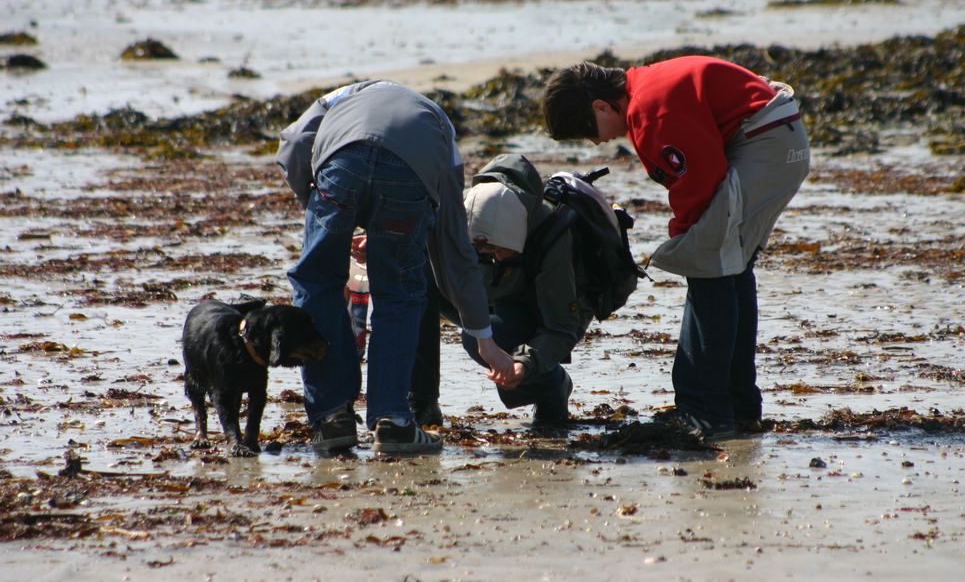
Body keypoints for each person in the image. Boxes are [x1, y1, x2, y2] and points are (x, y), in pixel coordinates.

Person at [542, 56, 810, 441]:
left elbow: (701, 179)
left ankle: (703, 412)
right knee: (729, 270)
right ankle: (737, 409)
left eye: (589, 130)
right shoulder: (645, 90)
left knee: (707, 267)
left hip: (765, 142)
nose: (598, 141)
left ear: (601, 105)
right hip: (776, 136)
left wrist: (683, 236)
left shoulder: (650, 110)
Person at [277, 80, 516, 454]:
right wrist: (485, 339)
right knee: (400, 295)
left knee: (317, 282)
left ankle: (331, 417)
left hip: (341, 164)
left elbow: (292, 146)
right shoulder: (442, 128)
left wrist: (314, 205)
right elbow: (454, 244)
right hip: (408, 175)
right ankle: (393, 421)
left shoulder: (340, 96)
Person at [412, 154, 594, 427]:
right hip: (490, 295)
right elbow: (420, 242)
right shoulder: (463, 216)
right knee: (415, 276)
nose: (491, 255)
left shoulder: (552, 236)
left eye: (498, 249)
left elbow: (562, 328)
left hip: (539, 312)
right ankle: (422, 402)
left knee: (481, 338)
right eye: (481, 249)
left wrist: (525, 364)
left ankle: (551, 387)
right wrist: (383, 247)